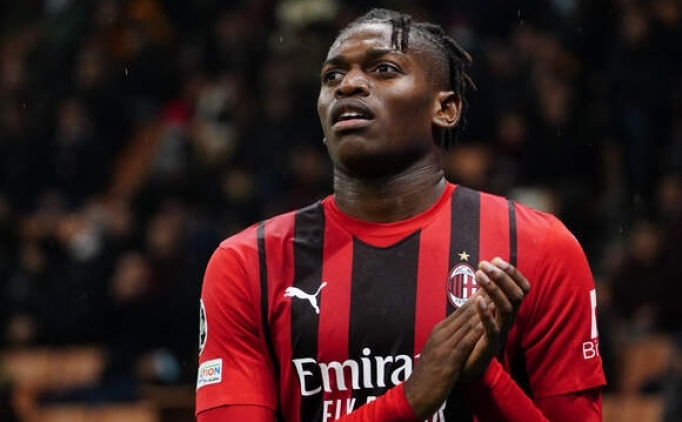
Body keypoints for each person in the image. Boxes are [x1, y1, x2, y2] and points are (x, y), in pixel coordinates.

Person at [195, 8, 606, 422]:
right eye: (332, 76)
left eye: (384, 69)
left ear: (445, 108)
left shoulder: (539, 248)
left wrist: (485, 379)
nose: (348, 84)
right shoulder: (248, 264)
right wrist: (410, 399)